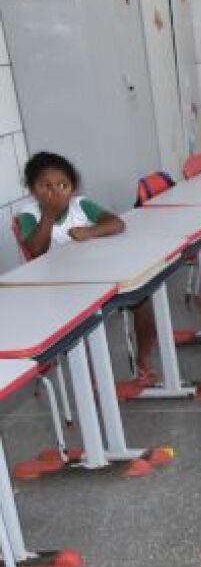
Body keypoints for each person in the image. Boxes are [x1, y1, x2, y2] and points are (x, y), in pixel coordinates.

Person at [17, 152, 159, 390]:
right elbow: (36, 251)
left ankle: (144, 362)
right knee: (86, 323)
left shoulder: (80, 205)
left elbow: (117, 223)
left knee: (141, 300)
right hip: (57, 290)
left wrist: (90, 232)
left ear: (72, 188)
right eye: (45, 186)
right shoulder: (29, 214)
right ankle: (91, 380)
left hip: (95, 278)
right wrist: (49, 215)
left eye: (62, 185)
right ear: (33, 190)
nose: (54, 192)